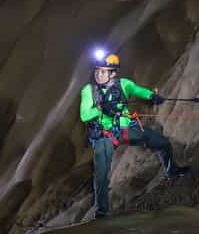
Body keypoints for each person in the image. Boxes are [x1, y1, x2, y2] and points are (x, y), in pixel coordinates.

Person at [79, 52, 190, 218]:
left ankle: (172, 171)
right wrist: (99, 109)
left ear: (113, 73)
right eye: (97, 71)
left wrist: (152, 96)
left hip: (124, 129)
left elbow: (139, 90)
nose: (98, 74)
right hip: (104, 135)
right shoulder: (89, 91)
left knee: (162, 143)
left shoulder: (124, 84)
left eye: (103, 71)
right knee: (101, 174)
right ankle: (102, 212)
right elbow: (84, 115)